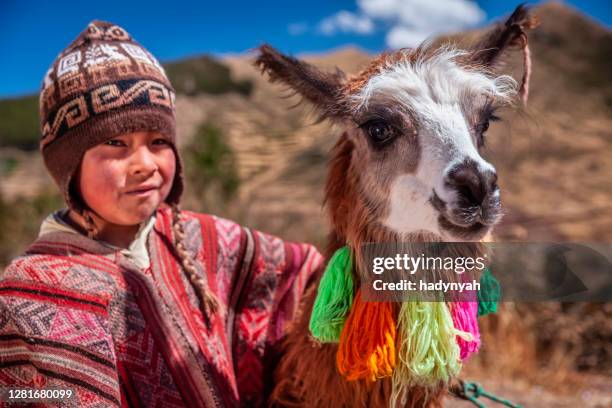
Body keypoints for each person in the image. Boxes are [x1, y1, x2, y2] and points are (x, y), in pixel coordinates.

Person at [0, 21, 323, 407]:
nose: (144, 164)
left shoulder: (206, 240)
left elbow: (315, 276)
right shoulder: (28, 291)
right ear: (68, 167)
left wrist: (411, 269)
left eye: (158, 142)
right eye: (116, 143)